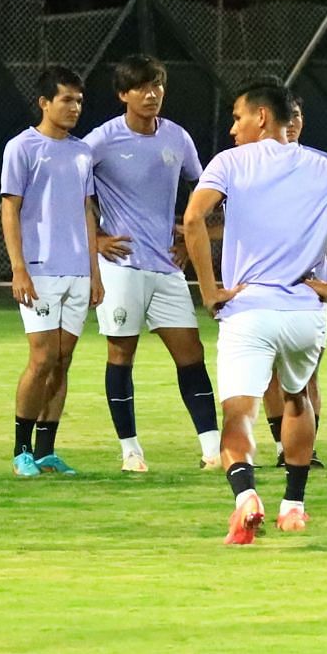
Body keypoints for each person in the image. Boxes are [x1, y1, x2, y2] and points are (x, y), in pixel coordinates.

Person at [183, 79, 327, 542]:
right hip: (304, 311)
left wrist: (209, 288)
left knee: (238, 413)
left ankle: (245, 496)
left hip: (249, 308)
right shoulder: (324, 167)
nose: (233, 129)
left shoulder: (231, 162)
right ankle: (293, 505)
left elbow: (194, 218)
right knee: (297, 398)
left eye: (237, 118)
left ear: (261, 117)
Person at [83, 54, 219, 473]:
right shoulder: (100, 141)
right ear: (124, 94)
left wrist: (191, 241)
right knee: (121, 353)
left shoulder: (177, 138)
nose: (152, 94)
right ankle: (130, 451)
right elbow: (75, 195)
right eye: (142, 87)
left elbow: (206, 192)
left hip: (166, 267)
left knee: (191, 353)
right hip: (122, 265)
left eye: (157, 85)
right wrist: (98, 240)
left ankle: (213, 449)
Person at [2, 66, 103, 477]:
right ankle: (20, 449)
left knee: (64, 358)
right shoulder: (21, 147)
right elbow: (10, 208)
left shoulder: (82, 152)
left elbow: (87, 209)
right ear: (44, 102)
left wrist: (94, 270)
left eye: (78, 100)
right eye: (65, 99)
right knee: (42, 358)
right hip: (40, 270)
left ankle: (46, 450)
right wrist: (18, 268)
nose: (74, 107)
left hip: (77, 269)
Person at [264, 97, 327, 468]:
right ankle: (281, 447)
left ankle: (307, 449)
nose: (292, 122)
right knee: (270, 372)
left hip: (311, 285)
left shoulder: (321, 164)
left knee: (307, 372)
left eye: (297, 115)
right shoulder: (247, 165)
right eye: (285, 115)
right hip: (263, 286)